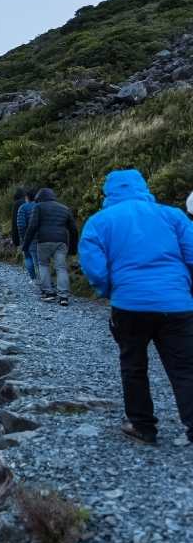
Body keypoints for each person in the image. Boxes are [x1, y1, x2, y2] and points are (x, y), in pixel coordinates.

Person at [79, 169, 193, 445]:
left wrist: (109, 290)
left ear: (108, 193)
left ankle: (143, 426)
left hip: (129, 305)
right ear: (144, 186)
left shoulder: (98, 222)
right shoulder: (173, 215)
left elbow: (94, 268)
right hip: (177, 304)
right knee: (186, 368)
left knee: (133, 365)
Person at [21, 187, 78, 306]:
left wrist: (25, 245)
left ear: (40, 198)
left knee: (43, 265)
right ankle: (63, 296)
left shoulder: (38, 207)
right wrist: (73, 248)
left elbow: (32, 227)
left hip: (44, 241)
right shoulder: (64, 208)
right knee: (61, 268)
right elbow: (73, 229)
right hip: (61, 242)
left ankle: (49, 293)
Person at [16, 189, 39, 281]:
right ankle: (44, 280)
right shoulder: (40, 206)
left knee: (28, 257)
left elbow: (21, 225)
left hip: (28, 237)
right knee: (40, 261)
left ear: (27, 197)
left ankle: (34, 278)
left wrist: (23, 238)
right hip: (41, 237)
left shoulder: (23, 207)